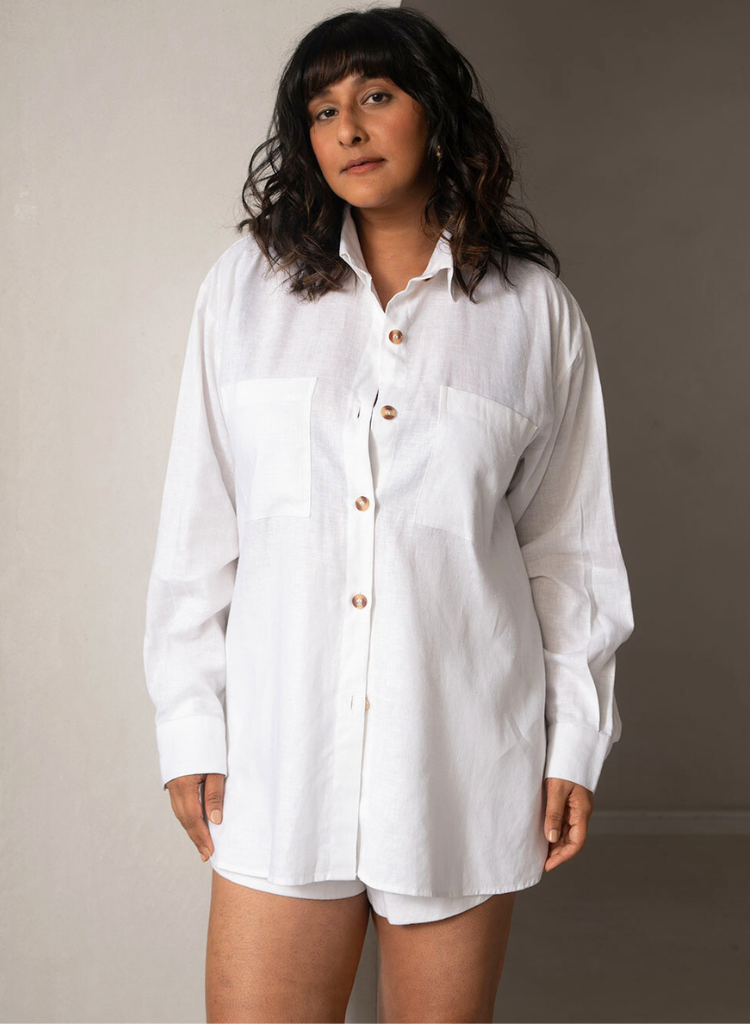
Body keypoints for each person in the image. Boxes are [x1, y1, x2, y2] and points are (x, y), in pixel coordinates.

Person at [142, 6, 635, 1022]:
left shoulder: (534, 314)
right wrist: (189, 722)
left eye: (375, 95)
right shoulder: (246, 292)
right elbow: (200, 526)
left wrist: (573, 744)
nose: (350, 129)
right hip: (280, 762)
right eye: (323, 110)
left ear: (436, 113)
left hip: (458, 765)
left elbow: (569, 553)